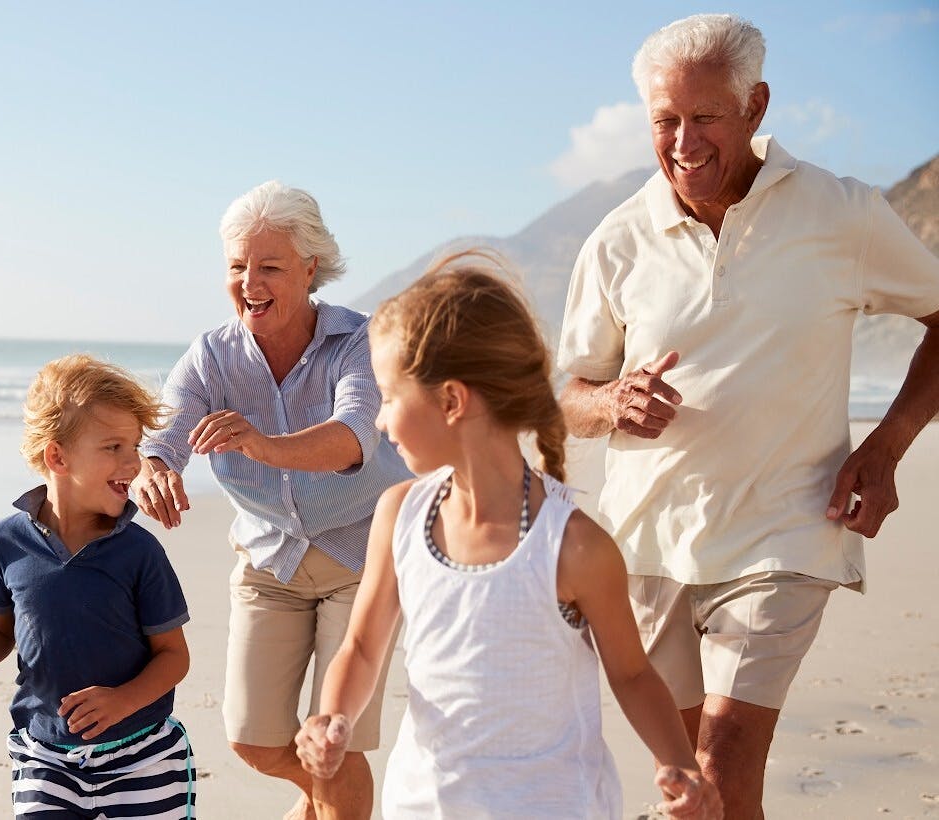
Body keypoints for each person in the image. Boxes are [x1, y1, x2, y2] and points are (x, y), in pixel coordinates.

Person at [557, 13, 939, 817]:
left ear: (756, 107)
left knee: (726, 765)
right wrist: (611, 400)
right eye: (665, 120)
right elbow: (567, 396)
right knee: (700, 794)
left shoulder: (843, 213)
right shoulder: (616, 240)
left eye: (706, 118)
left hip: (788, 529)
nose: (683, 141)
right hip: (649, 542)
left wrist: (890, 444)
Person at [295, 254, 721, 818]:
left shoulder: (574, 548)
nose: (379, 419)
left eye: (390, 398)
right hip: (424, 803)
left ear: (451, 400)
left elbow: (632, 673)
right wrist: (334, 718)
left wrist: (682, 768)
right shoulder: (399, 514)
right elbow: (363, 646)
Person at [134, 180, 410, 819]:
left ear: (312, 268)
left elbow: (351, 437)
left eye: (270, 267)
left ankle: (332, 798)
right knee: (252, 738)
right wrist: (153, 471)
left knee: (333, 743)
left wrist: (261, 444)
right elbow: (164, 436)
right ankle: (322, 804)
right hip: (269, 563)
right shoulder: (212, 356)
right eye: (237, 267)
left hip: (361, 561)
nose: (249, 281)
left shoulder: (356, 341)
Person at [0, 354, 196, 818]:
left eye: (135, 446)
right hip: (45, 757)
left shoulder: (139, 553)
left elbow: (174, 656)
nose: (133, 462)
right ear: (57, 457)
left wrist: (123, 701)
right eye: (114, 447)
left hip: (143, 758)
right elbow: (0, 628)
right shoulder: (5, 542)